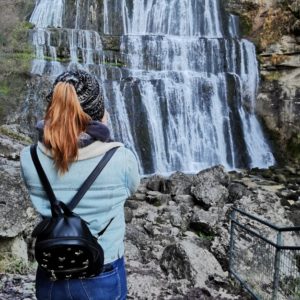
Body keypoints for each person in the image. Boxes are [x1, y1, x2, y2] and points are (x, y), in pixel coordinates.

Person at [20, 70, 140, 300]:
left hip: (52, 272)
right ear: (98, 113)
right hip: (103, 271)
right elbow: (132, 187)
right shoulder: (121, 158)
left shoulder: (30, 157)